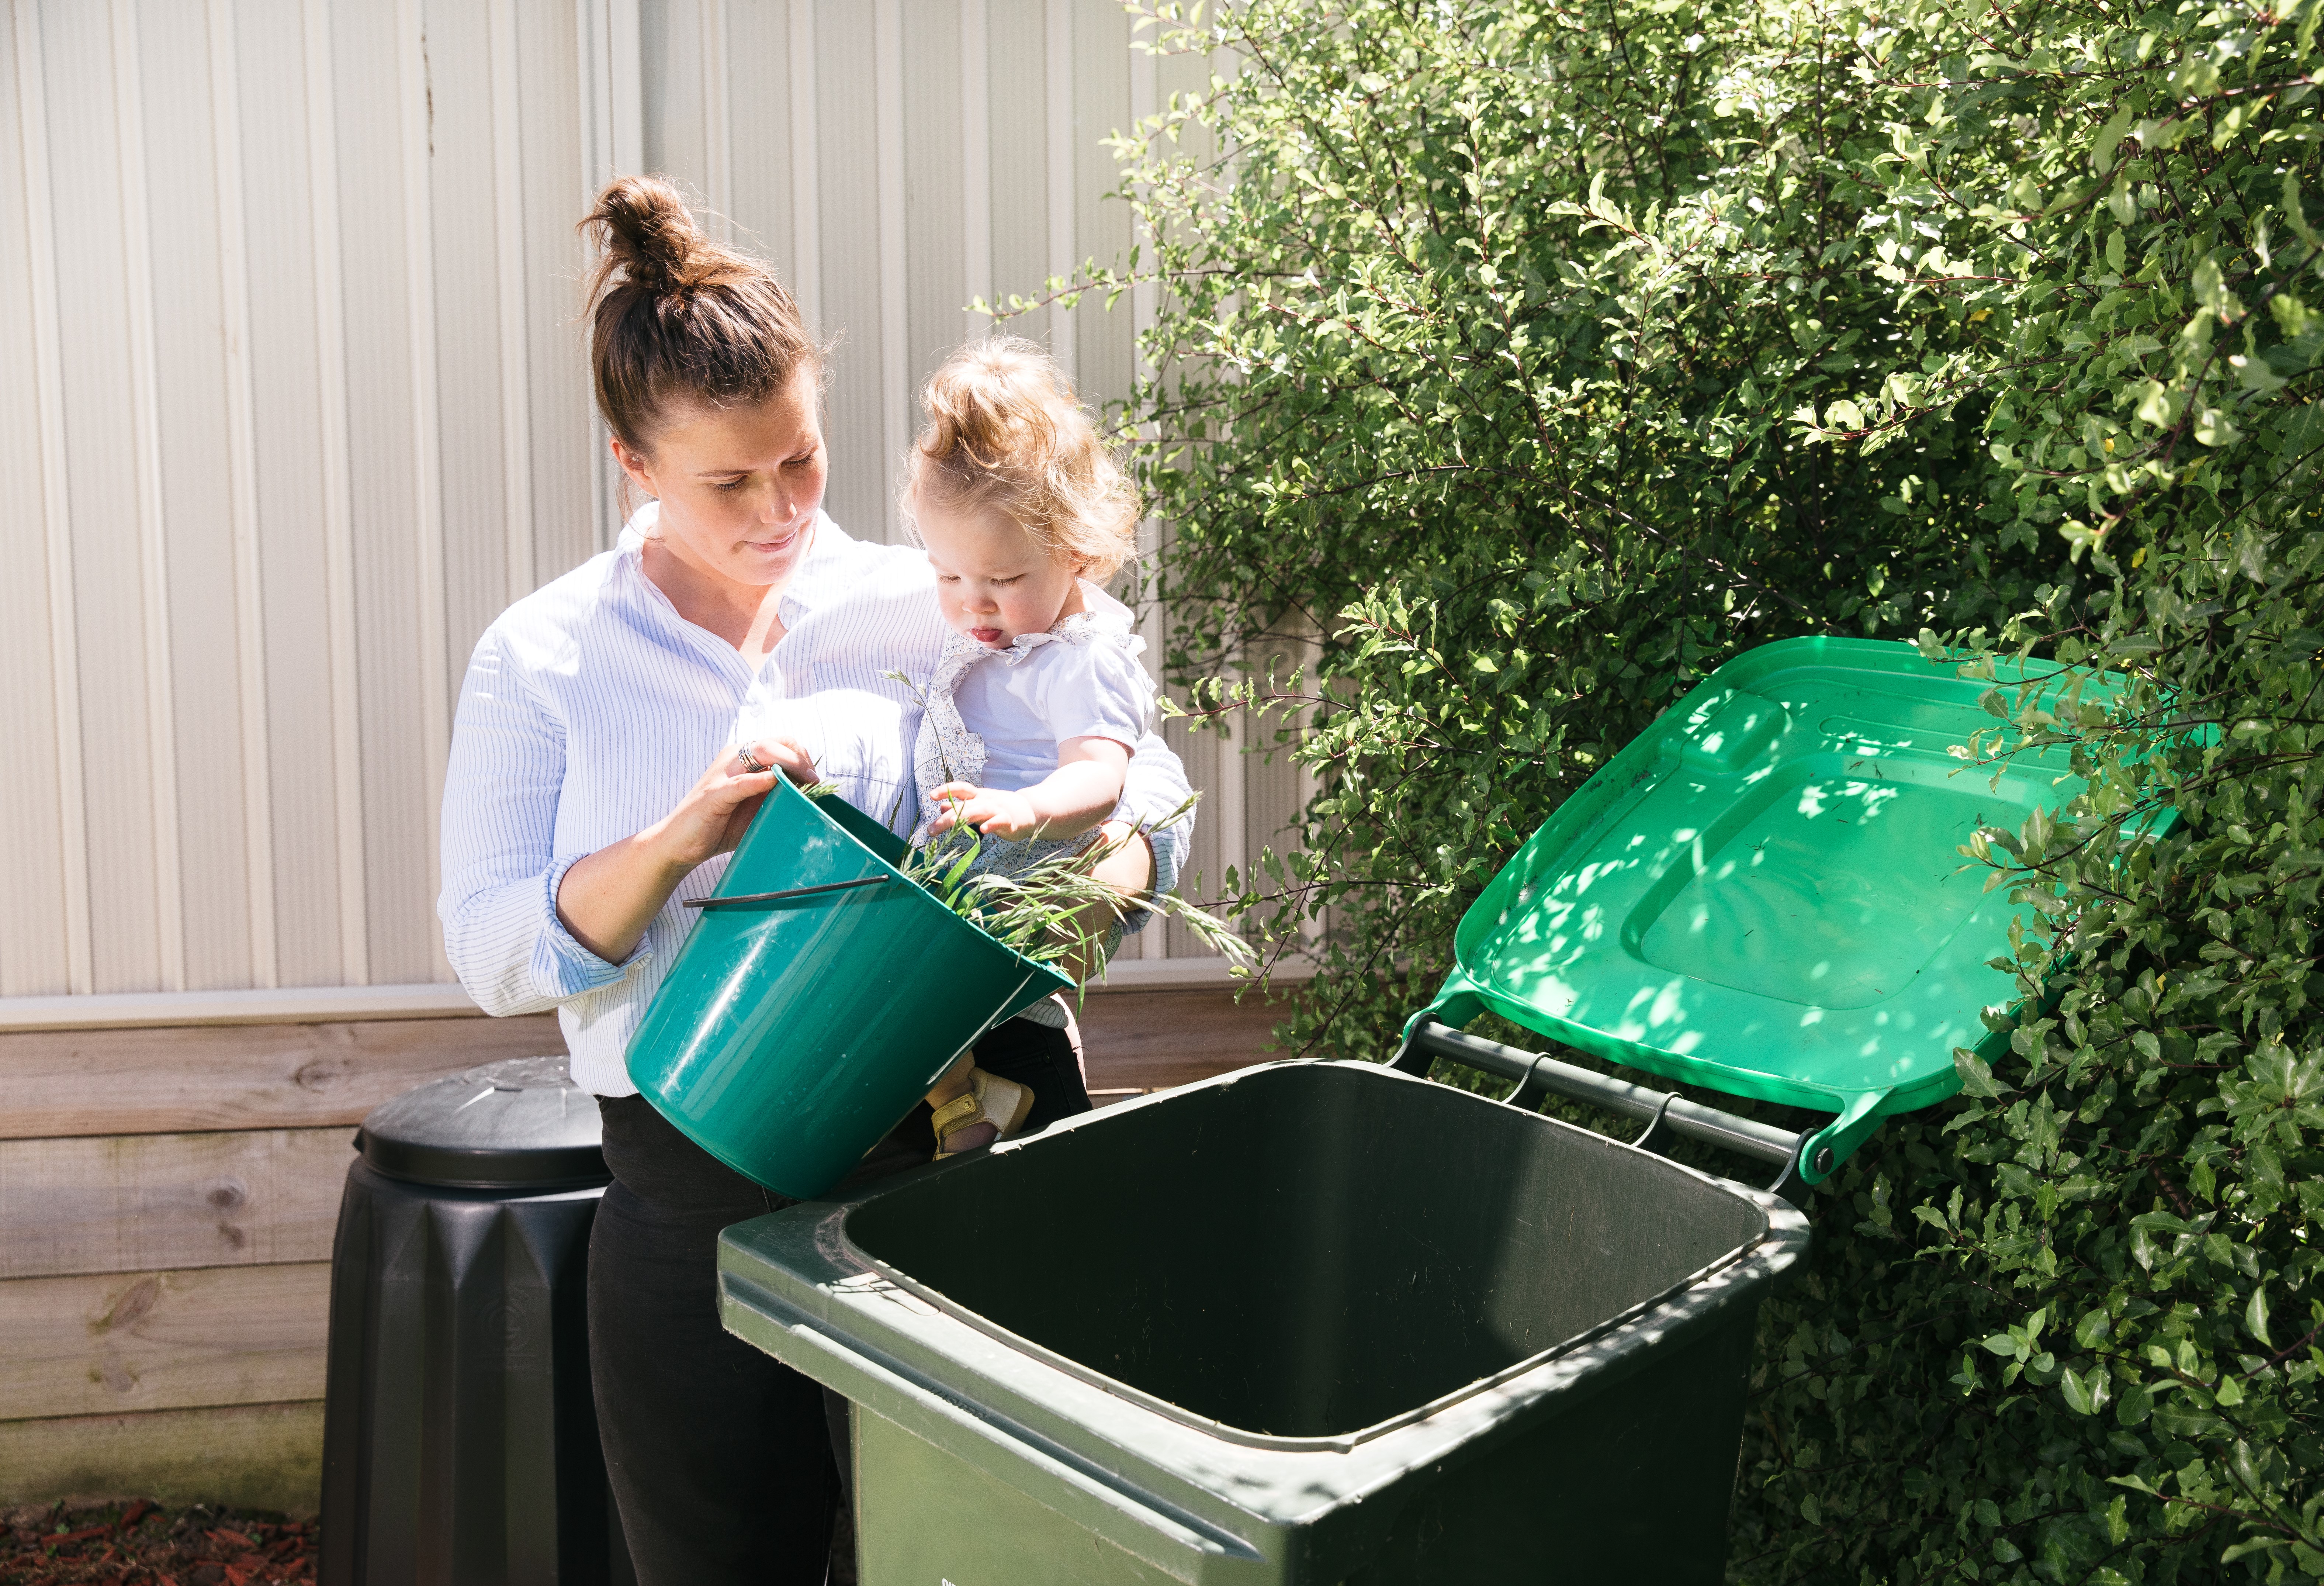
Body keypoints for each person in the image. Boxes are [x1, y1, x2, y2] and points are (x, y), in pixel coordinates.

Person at [435, 175, 1195, 1586]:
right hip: (697, 1175)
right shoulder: (545, 658)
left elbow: (1145, 774)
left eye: (801, 459)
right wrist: (680, 837)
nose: (779, 509)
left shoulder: (944, 585)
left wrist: (1116, 865)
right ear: (632, 465)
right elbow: (488, 948)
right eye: (728, 481)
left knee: (989, 1563)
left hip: (966, 1155)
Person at [898, 339, 1160, 1157]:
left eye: (1002, 581)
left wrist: (1025, 808)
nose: (973, 602)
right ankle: (970, 1097)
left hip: (1022, 857)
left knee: (915, 994)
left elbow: (1101, 776)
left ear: (1075, 551)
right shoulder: (1001, 628)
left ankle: (967, 1113)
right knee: (904, 1002)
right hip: (962, 855)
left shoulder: (1080, 657)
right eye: (947, 576)